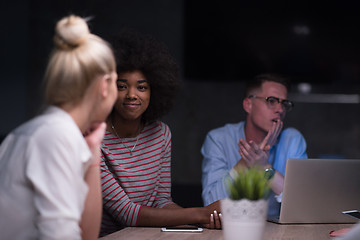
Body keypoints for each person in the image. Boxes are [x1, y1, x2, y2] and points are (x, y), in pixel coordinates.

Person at [0, 15, 118, 240]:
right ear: (105, 86)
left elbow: (86, 236)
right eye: (116, 81)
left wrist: (93, 153)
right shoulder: (55, 136)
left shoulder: (53, 131)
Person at [100, 29, 220, 237]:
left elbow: (161, 201)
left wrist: (203, 224)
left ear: (154, 91)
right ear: (108, 88)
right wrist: (200, 214)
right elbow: (126, 213)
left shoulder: (161, 134)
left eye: (141, 87)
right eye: (122, 86)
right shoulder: (94, 138)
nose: (131, 95)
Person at [201, 74, 308, 217]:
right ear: (248, 105)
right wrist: (247, 162)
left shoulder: (292, 139)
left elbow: (303, 205)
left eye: (284, 104)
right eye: (272, 101)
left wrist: (264, 168)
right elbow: (210, 205)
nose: (280, 110)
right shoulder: (219, 138)